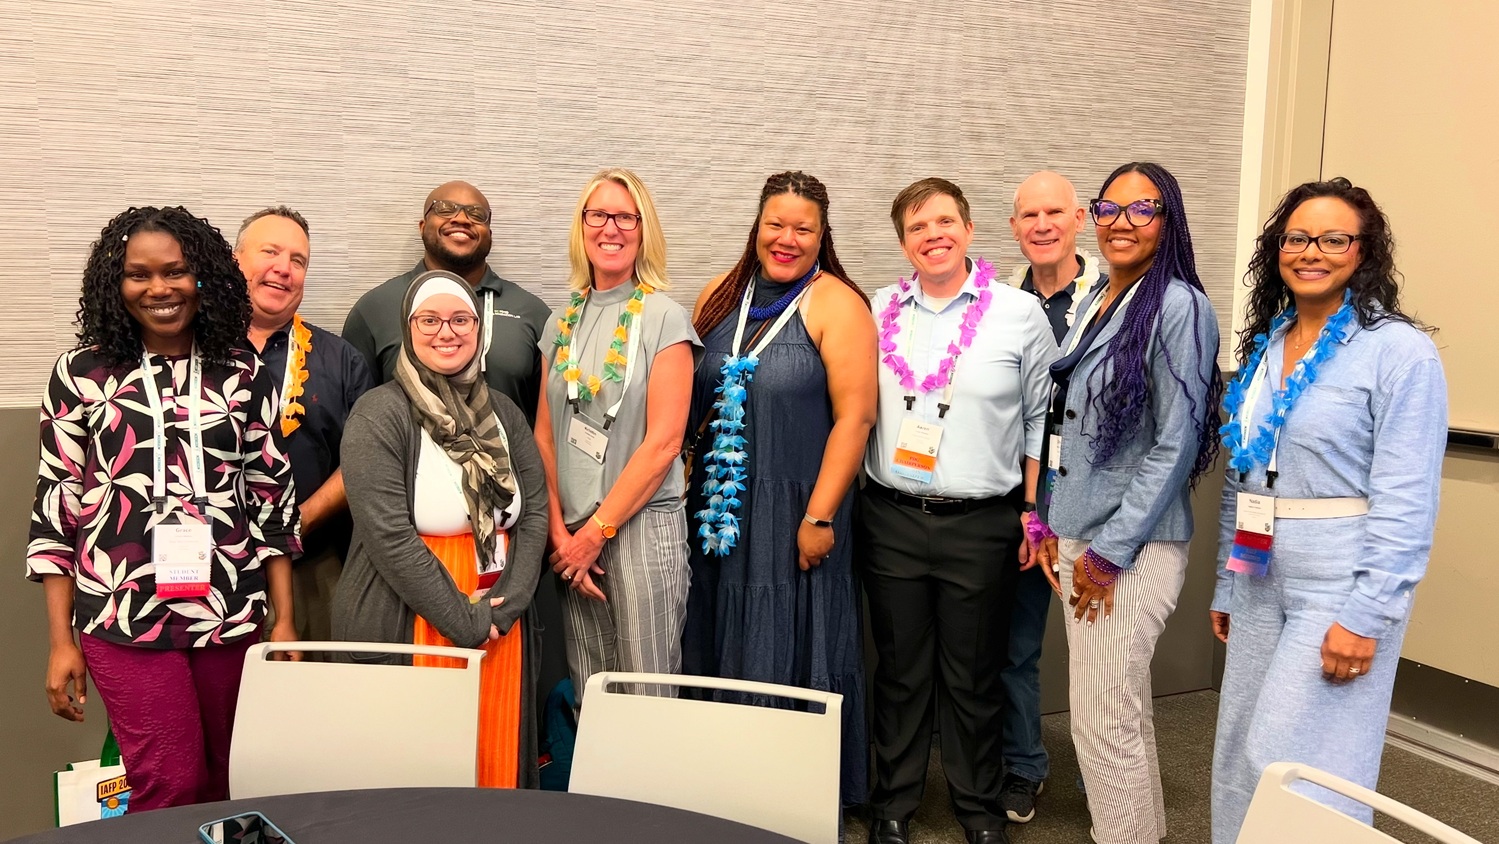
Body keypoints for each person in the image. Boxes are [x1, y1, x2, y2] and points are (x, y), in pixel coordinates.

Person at [28, 206, 300, 811]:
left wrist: (283, 619)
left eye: (176, 272)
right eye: (138, 275)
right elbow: (57, 506)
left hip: (230, 611)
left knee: (233, 782)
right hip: (122, 615)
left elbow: (271, 498)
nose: (159, 289)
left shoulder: (241, 368)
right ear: (114, 283)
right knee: (169, 784)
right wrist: (59, 640)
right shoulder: (81, 374)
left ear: (203, 278)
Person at [1209, 179, 1446, 843]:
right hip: (1257, 571)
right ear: (1276, 249)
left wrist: (1366, 614)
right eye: (1296, 237)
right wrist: (1228, 578)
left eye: (1333, 238)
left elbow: (1407, 497)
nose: (1311, 251)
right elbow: (1242, 471)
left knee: (1302, 761)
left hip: (1339, 576)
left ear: (1362, 251)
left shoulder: (1398, 352)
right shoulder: (1268, 343)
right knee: (1236, 753)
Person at [1029, 162, 1223, 844]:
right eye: (1108, 209)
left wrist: (1108, 553)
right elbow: (1067, 423)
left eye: (1140, 210)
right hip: (1082, 533)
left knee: (1099, 721)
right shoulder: (1101, 298)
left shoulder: (1178, 305)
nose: (1120, 223)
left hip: (1127, 548)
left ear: (1167, 220)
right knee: (1121, 711)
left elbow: (1175, 443)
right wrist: (1047, 517)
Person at [861, 178, 1057, 844]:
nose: (933, 235)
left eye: (944, 221)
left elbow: (1040, 418)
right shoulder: (879, 308)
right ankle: (893, 802)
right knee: (900, 671)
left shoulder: (1016, 313)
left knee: (973, 675)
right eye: (917, 227)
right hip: (890, 515)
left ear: (970, 231)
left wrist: (1033, 510)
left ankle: (977, 807)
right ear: (902, 243)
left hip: (981, 522)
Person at [683, 171, 875, 809]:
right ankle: (721, 789)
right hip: (719, 507)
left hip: (795, 508)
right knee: (717, 634)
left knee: (786, 641)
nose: (787, 238)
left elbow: (856, 418)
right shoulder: (719, 295)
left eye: (804, 228)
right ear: (757, 226)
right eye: (776, 224)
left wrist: (820, 516)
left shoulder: (837, 303)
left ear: (823, 236)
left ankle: (786, 798)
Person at [333, 270, 548, 788]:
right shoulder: (378, 413)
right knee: (418, 775)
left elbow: (535, 510)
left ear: (478, 330)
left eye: (460, 319)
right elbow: (388, 537)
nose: (446, 332)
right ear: (409, 329)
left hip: (499, 620)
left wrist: (510, 604)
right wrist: (466, 621)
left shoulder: (505, 413)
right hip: (416, 614)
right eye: (429, 320)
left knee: (495, 758)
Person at [534, 168, 699, 697]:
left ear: (642, 228)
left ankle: (650, 786)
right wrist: (561, 534)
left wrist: (594, 535)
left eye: (625, 217)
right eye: (599, 215)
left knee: (646, 693)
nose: (612, 228)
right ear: (582, 227)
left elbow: (665, 443)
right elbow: (544, 435)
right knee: (592, 690)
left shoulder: (664, 319)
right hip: (572, 534)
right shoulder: (560, 323)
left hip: (641, 527)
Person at [995, 169, 1105, 823]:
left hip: (1091, 497)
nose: (1040, 225)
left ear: (1079, 218)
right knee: (1016, 646)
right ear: (1013, 227)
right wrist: (1028, 510)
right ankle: (1022, 766)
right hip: (1021, 497)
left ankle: (1106, 778)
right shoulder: (1001, 302)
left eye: (1053, 213)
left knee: (1102, 650)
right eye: (1027, 215)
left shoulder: (1114, 296)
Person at [235, 206, 374, 647]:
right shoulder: (187, 350)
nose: (284, 268)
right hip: (205, 566)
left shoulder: (341, 359)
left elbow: (365, 459)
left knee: (312, 701)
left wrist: (300, 520)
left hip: (313, 563)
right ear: (235, 259)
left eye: (298, 260)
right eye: (270, 252)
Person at [342, 180, 551, 423]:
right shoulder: (374, 310)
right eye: (444, 208)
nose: (462, 218)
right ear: (422, 226)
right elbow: (357, 420)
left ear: (490, 234)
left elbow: (549, 426)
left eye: (476, 214)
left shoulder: (532, 313)